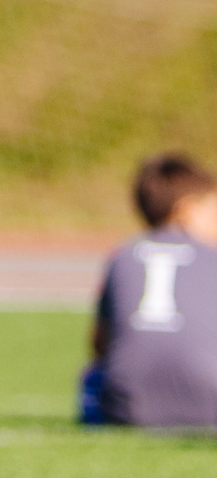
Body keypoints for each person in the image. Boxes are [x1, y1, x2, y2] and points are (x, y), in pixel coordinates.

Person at [79, 152, 217, 428]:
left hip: (129, 411)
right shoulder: (211, 256)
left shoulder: (122, 255)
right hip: (211, 408)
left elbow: (99, 344)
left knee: (93, 377)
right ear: (187, 209)